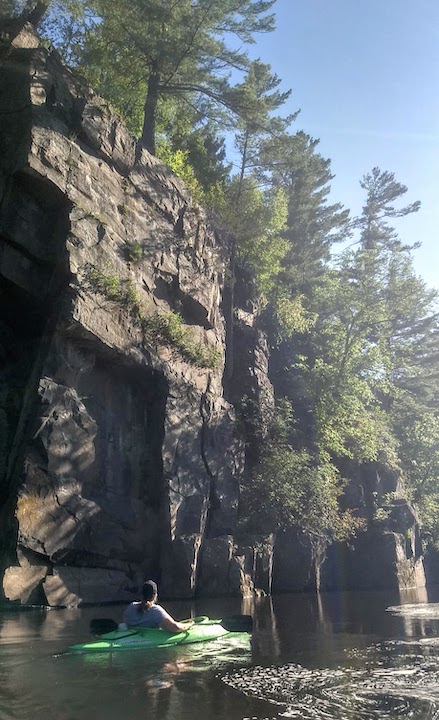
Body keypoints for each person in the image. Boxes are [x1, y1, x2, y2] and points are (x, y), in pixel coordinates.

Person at [121, 580, 194, 632]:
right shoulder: (156, 611)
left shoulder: (131, 607)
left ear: (141, 594)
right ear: (155, 596)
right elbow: (175, 627)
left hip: (131, 638)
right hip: (149, 640)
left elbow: (125, 621)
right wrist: (189, 625)